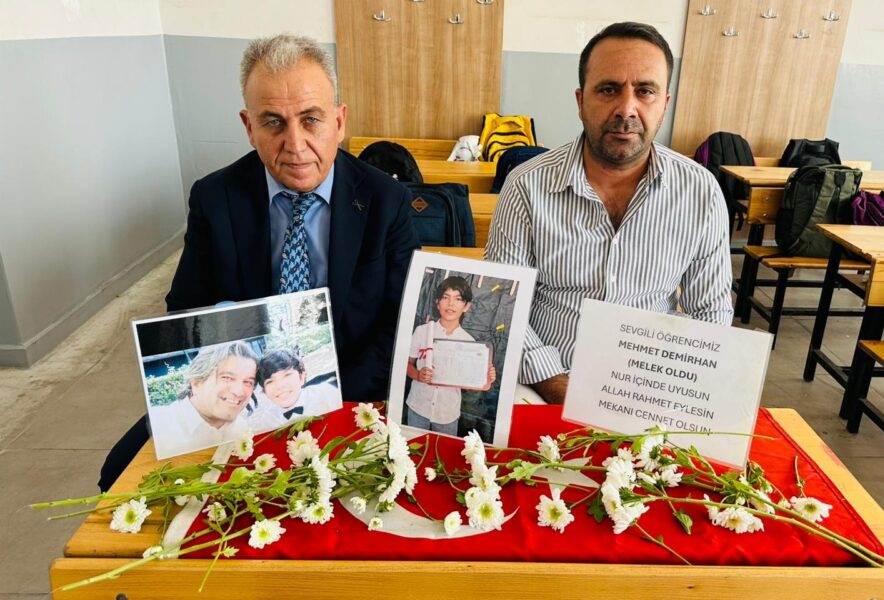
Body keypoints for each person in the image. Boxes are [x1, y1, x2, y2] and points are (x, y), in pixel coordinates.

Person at [99, 34, 419, 491]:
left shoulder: (387, 200)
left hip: (351, 394)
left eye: (311, 119)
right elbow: (185, 310)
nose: (296, 144)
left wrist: (324, 400)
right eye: (274, 123)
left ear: (339, 121)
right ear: (249, 127)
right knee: (118, 477)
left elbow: (399, 324)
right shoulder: (215, 198)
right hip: (242, 402)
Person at [484, 22, 734, 406]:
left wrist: (674, 389)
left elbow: (710, 312)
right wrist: (561, 388)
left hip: (651, 387)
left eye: (645, 91)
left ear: (665, 103)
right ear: (581, 100)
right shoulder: (526, 186)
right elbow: (503, 302)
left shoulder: (701, 192)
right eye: (608, 89)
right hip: (541, 384)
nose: (626, 109)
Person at [405, 276, 496, 435]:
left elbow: (471, 382)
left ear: (466, 306)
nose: (451, 304)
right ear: (437, 302)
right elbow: (406, 364)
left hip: (447, 414)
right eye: (446, 297)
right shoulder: (422, 331)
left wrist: (486, 377)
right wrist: (418, 375)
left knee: (443, 449)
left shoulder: (470, 342)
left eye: (458, 299)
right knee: (413, 445)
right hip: (417, 406)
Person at [148, 342, 258, 458]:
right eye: (227, 378)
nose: (239, 392)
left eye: (248, 382)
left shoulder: (241, 429)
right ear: (196, 382)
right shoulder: (157, 427)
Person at [249, 349, 340, 430]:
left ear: (301, 377)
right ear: (265, 391)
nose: (280, 386)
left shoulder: (327, 394)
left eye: (287, 375)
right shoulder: (267, 421)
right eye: (270, 381)